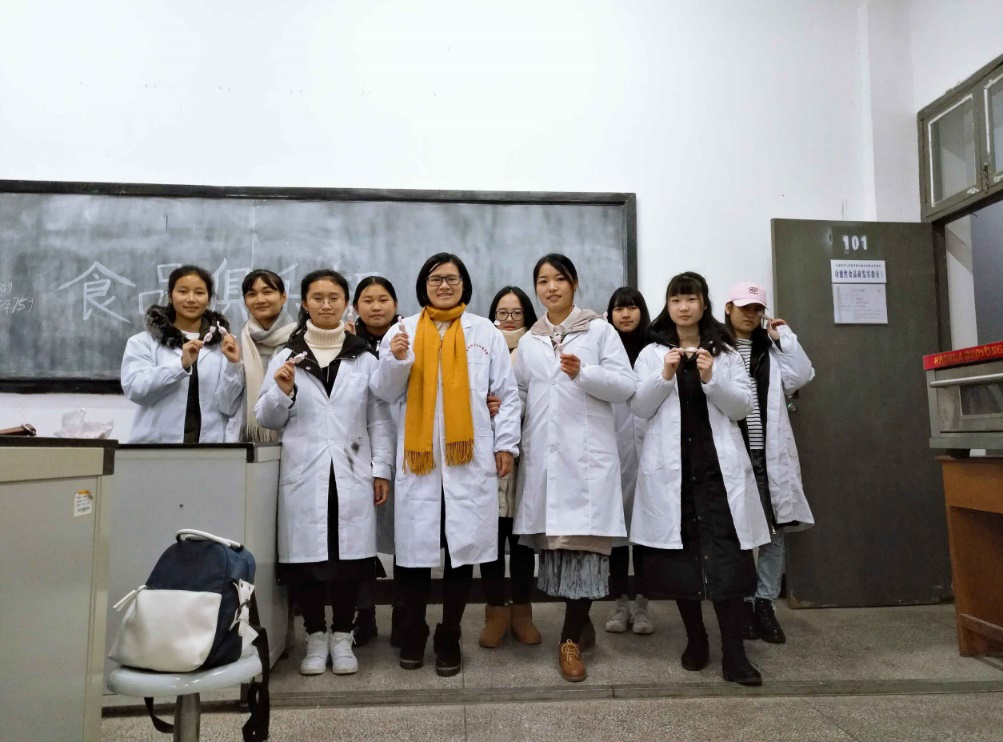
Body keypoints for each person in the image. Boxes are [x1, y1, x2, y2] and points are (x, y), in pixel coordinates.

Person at [370, 253, 520, 677]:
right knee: (413, 556)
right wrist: (396, 360)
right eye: (436, 279)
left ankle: (449, 633)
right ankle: (414, 630)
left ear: (464, 285)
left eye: (452, 279)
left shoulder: (484, 331)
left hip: (467, 459)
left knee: (461, 552)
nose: (444, 285)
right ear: (424, 284)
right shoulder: (401, 331)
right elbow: (382, 393)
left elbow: (505, 393)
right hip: (418, 462)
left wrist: (506, 444)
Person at [630, 271, 770, 686]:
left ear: (704, 304)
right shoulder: (652, 353)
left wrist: (712, 378)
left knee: (728, 562)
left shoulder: (725, 352)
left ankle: (735, 654)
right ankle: (696, 640)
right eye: (676, 300)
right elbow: (639, 407)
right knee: (681, 563)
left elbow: (742, 407)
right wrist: (665, 374)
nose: (684, 307)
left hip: (716, 475)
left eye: (691, 299)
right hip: (674, 475)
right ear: (668, 305)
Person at [255, 269, 394, 676]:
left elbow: (379, 420)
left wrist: (381, 469)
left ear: (346, 303)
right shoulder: (287, 355)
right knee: (309, 560)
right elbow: (266, 418)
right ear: (304, 303)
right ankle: (315, 635)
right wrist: (281, 391)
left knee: (349, 559)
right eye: (317, 297)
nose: (326, 304)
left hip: (352, 470)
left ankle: (343, 636)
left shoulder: (363, 357)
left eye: (334, 297)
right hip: (305, 471)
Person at [513, 254, 637, 682]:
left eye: (559, 279)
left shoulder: (599, 330)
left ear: (575, 283)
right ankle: (580, 624)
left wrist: (585, 373)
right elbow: (521, 393)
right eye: (543, 280)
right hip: (546, 461)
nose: (551, 287)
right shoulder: (530, 341)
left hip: (586, 462)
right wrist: (502, 412)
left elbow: (626, 386)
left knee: (585, 551)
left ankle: (568, 640)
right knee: (559, 551)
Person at [723, 282, 815, 644]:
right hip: (734, 453)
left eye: (756, 309)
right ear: (728, 308)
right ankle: (743, 603)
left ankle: (764, 604)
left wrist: (785, 337)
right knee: (740, 533)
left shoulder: (771, 350)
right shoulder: (717, 346)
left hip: (767, 455)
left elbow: (802, 374)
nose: (750, 314)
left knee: (774, 532)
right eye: (744, 307)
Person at [478, 286, 542, 649]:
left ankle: (522, 613)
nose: (508, 319)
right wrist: (483, 405)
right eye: (502, 312)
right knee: (490, 537)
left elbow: (547, 394)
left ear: (527, 316)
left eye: (516, 313)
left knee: (520, 541)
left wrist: (511, 407)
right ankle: (495, 613)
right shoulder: (480, 345)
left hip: (526, 455)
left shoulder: (536, 346)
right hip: (485, 455)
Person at [122, 265, 243, 443]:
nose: (191, 299)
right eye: (183, 292)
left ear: (209, 298)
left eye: (199, 293)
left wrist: (233, 365)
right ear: (170, 296)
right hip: (157, 446)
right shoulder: (143, 342)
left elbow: (228, 406)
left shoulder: (224, 344)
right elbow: (136, 390)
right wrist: (180, 365)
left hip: (210, 448)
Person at [348, 276, 402, 646]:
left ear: (395, 304)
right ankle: (364, 615)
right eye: (367, 300)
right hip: (358, 450)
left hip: (409, 446)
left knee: (405, 536)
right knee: (362, 536)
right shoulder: (345, 344)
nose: (376, 306)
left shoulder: (410, 338)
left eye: (383, 299)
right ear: (356, 307)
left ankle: (404, 614)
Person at [602, 286, 655, 636]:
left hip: (651, 448)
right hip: (615, 447)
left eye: (632, 307)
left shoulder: (655, 347)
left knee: (648, 533)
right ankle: (619, 605)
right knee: (618, 535)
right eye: (619, 308)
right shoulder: (603, 348)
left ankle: (643, 606)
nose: (625, 314)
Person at [229, 269, 296, 442]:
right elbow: (225, 405)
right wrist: (233, 364)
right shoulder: (236, 342)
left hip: (291, 437)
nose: (260, 300)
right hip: (246, 440)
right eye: (252, 294)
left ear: (283, 297)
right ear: (245, 301)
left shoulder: (300, 340)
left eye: (267, 292)